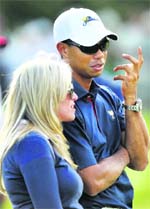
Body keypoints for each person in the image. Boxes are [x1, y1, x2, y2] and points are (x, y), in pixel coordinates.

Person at [53, 7, 150, 209]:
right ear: (63, 50)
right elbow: (93, 182)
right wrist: (126, 153)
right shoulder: (62, 105)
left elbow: (141, 160)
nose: (99, 54)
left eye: (103, 44)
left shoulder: (107, 95)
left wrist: (131, 98)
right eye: (89, 47)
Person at [0, 55, 84, 209]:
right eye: (69, 90)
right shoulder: (32, 143)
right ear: (47, 94)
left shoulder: (37, 140)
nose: (75, 97)